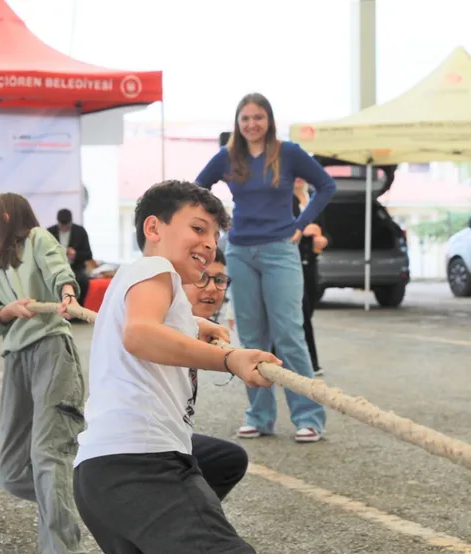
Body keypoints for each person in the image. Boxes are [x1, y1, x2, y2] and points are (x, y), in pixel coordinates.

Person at [73, 180, 280, 554]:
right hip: (142, 466)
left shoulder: (134, 280)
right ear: (153, 228)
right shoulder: (156, 268)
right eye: (198, 228)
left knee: (226, 461)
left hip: (99, 475)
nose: (209, 243)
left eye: (215, 236)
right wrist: (229, 359)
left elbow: (145, 322)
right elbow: (140, 334)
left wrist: (195, 326)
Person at [196, 93, 336, 443]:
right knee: (251, 337)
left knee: (289, 334)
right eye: (245, 118)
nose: (251, 124)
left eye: (258, 117)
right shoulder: (228, 156)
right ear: (237, 123)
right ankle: (259, 416)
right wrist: (216, 225)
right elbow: (197, 189)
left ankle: (309, 417)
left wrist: (300, 224)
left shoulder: (288, 153)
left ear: (269, 120)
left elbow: (326, 185)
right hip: (240, 251)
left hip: (280, 249)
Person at [0, 192, 86, 554]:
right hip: (15, 359)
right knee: (11, 473)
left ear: (4, 218)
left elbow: (58, 269)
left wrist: (67, 294)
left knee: (48, 456)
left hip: (52, 348)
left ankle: (61, 546)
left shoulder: (37, 239)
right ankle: (79, 496)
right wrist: (6, 312)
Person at [182, 247, 250, 501]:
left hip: (169, 439)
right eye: (201, 278)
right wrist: (232, 361)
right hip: (139, 452)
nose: (212, 288)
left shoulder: (195, 329)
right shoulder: (156, 328)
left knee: (229, 460)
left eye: (219, 280)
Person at [294, 179, 329, 375]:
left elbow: (326, 233)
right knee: (301, 312)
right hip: (291, 262)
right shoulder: (282, 199)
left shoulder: (315, 199)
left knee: (309, 307)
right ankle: (310, 362)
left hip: (311, 264)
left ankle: (280, 353)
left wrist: (323, 241)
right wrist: (302, 231)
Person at [47, 209, 93, 306]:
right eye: (61, 226)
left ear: (71, 222)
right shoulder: (50, 232)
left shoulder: (80, 231)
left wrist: (76, 255)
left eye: (66, 226)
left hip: (76, 267)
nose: (64, 228)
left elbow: (88, 254)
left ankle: (78, 307)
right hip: (55, 268)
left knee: (83, 280)